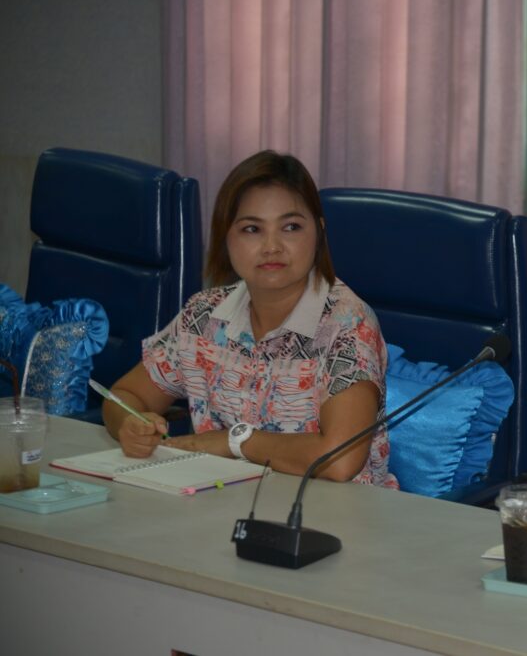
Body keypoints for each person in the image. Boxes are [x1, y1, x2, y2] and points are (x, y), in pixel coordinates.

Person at [102, 150, 396, 487]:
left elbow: (340, 459)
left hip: (334, 512)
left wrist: (234, 442)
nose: (272, 246)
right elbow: (124, 395)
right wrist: (131, 424)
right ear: (225, 238)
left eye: (291, 227)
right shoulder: (204, 316)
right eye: (252, 229)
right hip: (223, 503)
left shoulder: (346, 323)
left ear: (319, 232)